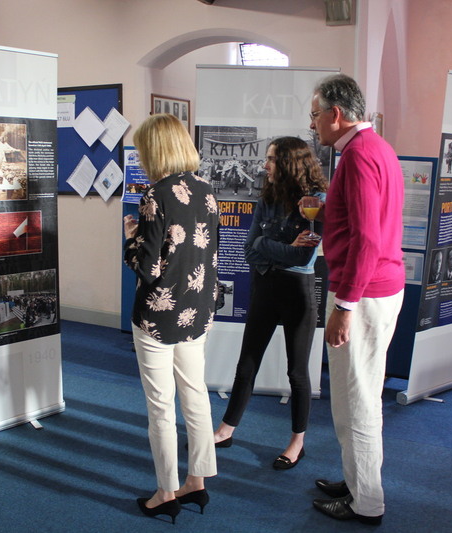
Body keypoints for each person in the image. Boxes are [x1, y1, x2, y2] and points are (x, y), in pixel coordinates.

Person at [308, 74, 405, 525]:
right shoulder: (376, 148)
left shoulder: (359, 155)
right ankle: (356, 481)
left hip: (363, 292)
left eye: (315, 115)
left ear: (336, 114)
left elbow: (367, 239)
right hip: (377, 286)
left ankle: (366, 502)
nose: (312, 124)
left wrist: (345, 306)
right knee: (353, 394)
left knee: (358, 398)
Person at [122, 113, 219, 524]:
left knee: (161, 406)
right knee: (195, 395)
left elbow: (147, 269)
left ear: (154, 150)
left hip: (158, 318)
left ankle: (165, 492)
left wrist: (131, 238)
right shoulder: (206, 189)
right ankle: (197, 481)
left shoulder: (155, 196)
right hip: (196, 311)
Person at [212, 136, 327, 469]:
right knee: (247, 363)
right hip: (264, 283)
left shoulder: (316, 201)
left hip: (298, 290)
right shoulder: (268, 196)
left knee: (297, 372)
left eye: (272, 159)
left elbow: (303, 257)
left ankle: (297, 443)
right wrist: (276, 246)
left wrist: (266, 244)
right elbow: (250, 249)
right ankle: (226, 429)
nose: (265, 165)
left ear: (290, 162)